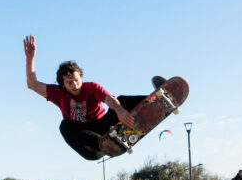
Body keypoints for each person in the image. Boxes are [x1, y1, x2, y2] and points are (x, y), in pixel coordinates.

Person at [23, 35, 151, 160]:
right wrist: (30, 59)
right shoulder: (58, 93)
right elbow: (32, 84)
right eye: (69, 82)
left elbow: (108, 99)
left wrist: (119, 109)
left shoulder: (91, 87)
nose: (74, 85)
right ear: (63, 85)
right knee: (65, 126)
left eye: (76, 80)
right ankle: (106, 144)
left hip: (104, 126)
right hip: (90, 140)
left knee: (121, 100)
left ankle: (160, 96)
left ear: (81, 77)